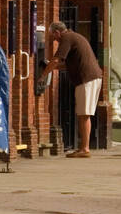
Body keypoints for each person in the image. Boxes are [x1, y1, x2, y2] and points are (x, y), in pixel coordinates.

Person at [39, 21, 103, 157]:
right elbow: (66, 64)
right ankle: (84, 148)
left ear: (57, 32)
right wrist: (51, 67)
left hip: (86, 79)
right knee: (84, 114)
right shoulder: (75, 36)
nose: (54, 39)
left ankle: (84, 149)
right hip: (91, 77)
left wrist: (43, 75)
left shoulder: (67, 38)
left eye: (53, 36)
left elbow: (57, 60)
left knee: (84, 114)